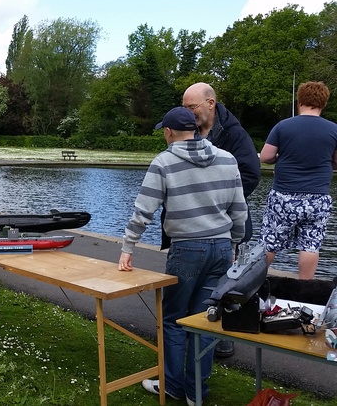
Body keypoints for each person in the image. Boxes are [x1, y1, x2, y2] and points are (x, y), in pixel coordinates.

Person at [118, 107, 247, 406]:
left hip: (187, 248)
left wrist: (128, 248)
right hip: (220, 247)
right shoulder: (227, 159)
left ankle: (174, 386)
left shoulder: (164, 162)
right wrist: (234, 247)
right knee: (205, 320)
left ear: (169, 132)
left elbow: (143, 211)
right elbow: (240, 210)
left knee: (175, 320)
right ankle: (196, 392)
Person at [164, 82, 261, 359]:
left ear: (210, 103)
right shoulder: (186, 130)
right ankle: (188, 335)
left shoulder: (234, 134)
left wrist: (218, 201)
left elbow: (251, 174)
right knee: (192, 287)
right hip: (190, 228)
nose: (187, 112)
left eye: (191, 106)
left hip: (225, 224)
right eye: (184, 107)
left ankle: (220, 338)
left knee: (224, 285)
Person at [259, 81, 337, 280]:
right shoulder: (333, 130)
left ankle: (254, 283)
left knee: (270, 241)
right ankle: (305, 289)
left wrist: (282, 158)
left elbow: (266, 157)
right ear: (324, 102)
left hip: (284, 196)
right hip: (317, 198)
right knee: (310, 245)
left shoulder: (283, 126)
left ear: (299, 100)